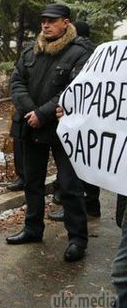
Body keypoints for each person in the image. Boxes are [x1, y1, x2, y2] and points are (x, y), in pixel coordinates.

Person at [6, 3, 91, 262]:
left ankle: (77, 239)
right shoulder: (32, 49)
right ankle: (33, 228)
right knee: (32, 181)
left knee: (69, 185)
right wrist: (31, 111)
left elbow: (75, 88)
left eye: (52, 20)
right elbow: (17, 80)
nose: (46, 24)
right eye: (43, 20)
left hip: (64, 129)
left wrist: (42, 113)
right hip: (32, 125)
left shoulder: (79, 51)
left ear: (66, 22)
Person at [48, 20, 101, 221]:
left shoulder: (81, 53)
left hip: (81, 118)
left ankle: (80, 205)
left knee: (77, 164)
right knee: (88, 161)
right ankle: (92, 204)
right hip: (89, 118)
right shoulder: (95, 53)